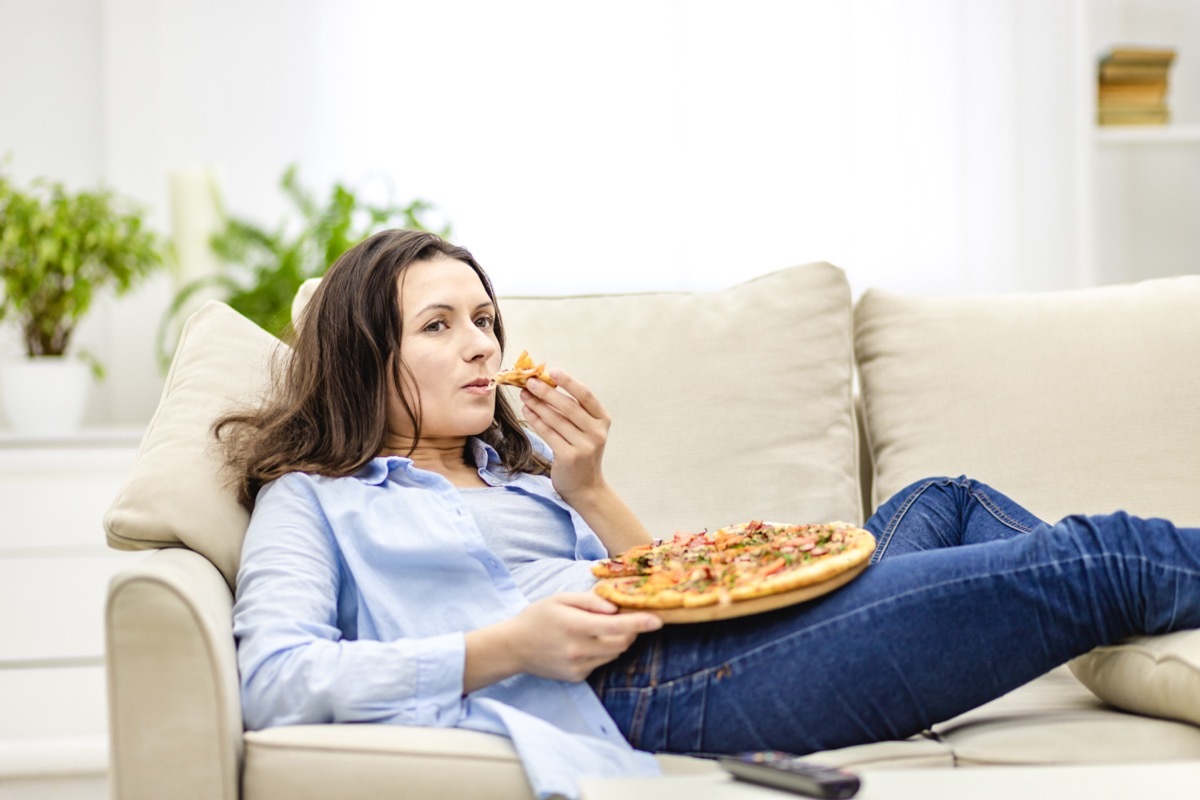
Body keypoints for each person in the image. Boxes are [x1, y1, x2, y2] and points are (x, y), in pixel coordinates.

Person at [223, 229, 1200, 800]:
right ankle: (1125, 609)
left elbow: (658, 587)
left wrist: (591, 486)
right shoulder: (314, 497)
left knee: (945, 500)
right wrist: (506, 645)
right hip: (647, 692)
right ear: (361, 356)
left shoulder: (520, 473)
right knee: (1091, 557)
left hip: (711, 634)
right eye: (439, 325)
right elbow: (272, 678)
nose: (481, 344)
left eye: (486, 319)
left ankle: (1131, 638)